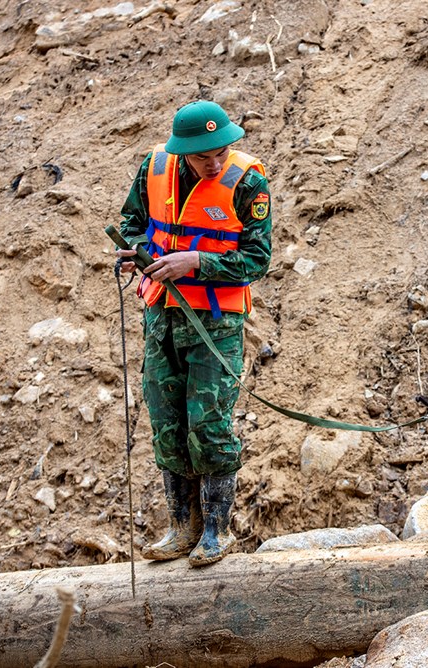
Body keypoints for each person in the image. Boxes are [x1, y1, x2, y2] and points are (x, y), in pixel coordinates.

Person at [115, 100, 272, 566]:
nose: (215, 162)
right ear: (183, 151)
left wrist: (196, 263)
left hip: (216, 324)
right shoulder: (154, 168)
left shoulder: (249, 183)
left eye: (222, 151)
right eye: (205, 156)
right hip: (161, 316)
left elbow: (257, 259)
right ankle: (181, 527)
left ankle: (216, 532)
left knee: (209, 425)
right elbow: (132, 224)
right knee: (167, 422)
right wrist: (136, 250)